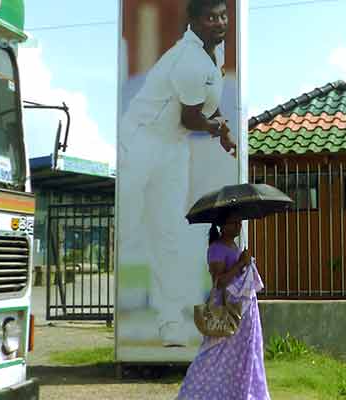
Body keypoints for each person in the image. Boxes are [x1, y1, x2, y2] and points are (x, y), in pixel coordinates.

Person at [117, 0, 237, 347]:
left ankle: (169, 322)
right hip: (139, 141)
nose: (219, 22)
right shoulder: (188, 58)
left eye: (223, 15)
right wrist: (223, 131)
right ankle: (122, 307)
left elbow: (192, 120)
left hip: (173, 147)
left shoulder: (216, 53)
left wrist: (221, 127)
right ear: (195, 22)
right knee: (128, 225)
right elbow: (191, 117)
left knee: (167, 232)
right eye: (211, 17)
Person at [177, 211, 271, 399]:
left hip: (241, 310)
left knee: (241, 354)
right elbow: (219, 282)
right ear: (222, 226)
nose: (238, 226)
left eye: (239, 222)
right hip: (226, 310)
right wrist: (239, 264)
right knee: (215, 352)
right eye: (233, 222)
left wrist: (245, 264)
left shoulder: (233, 245)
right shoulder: (216, 248)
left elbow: (236, 275)